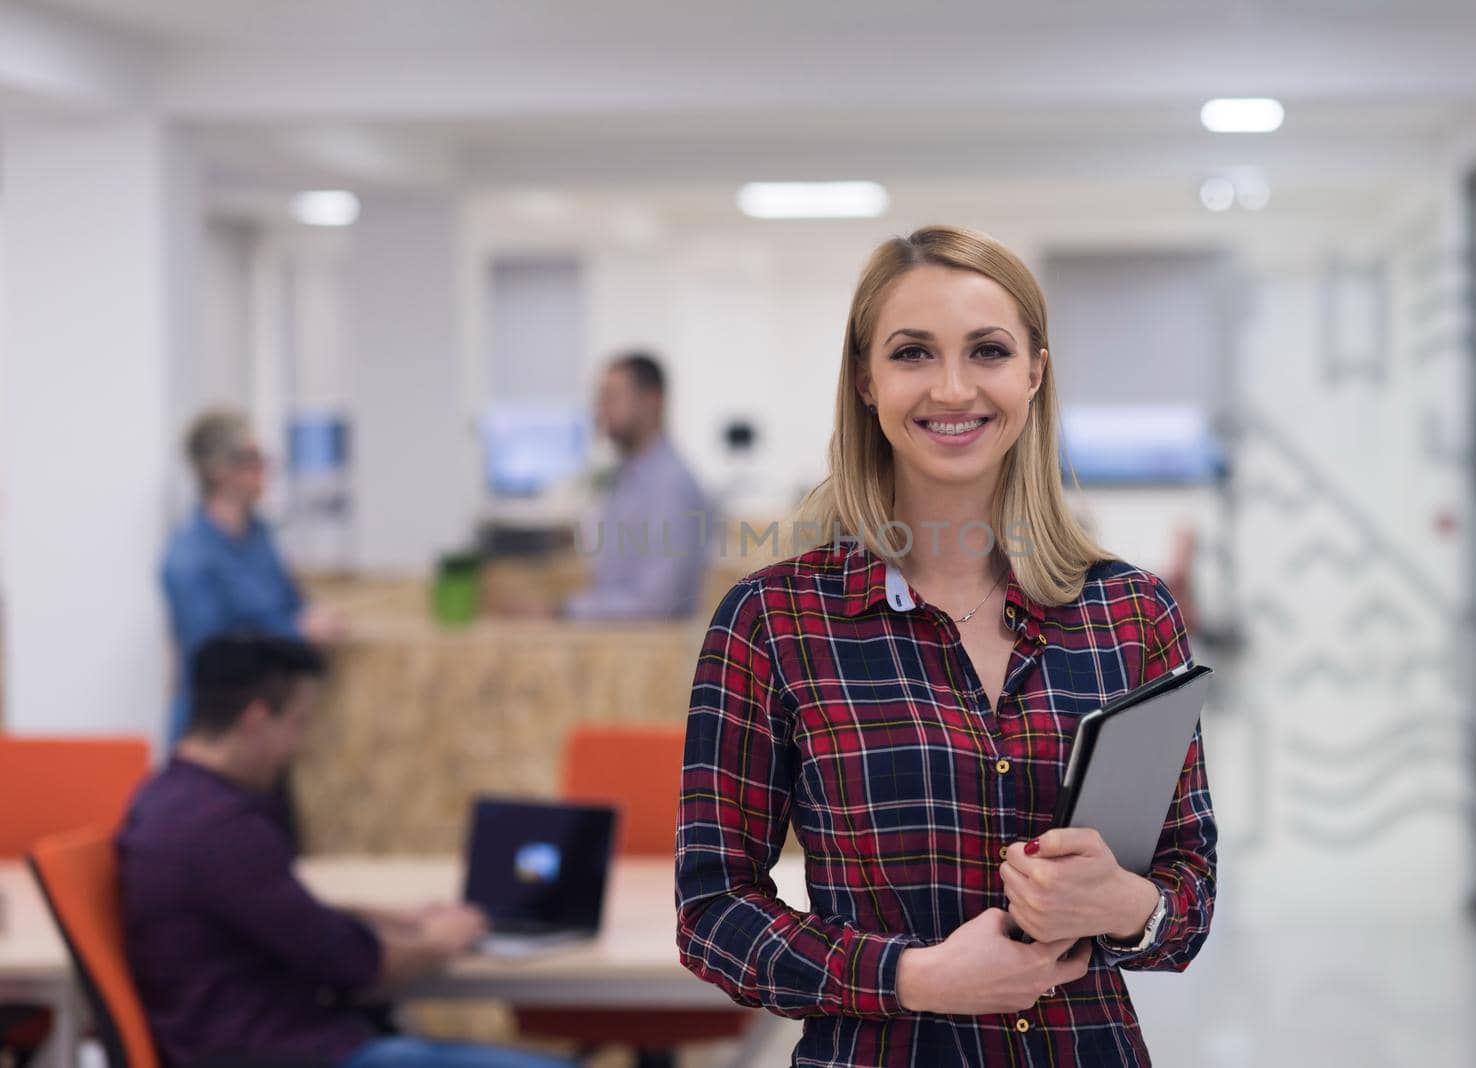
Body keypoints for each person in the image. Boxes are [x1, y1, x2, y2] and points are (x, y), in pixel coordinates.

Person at [675, 226, 1216, 1067]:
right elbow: (712, 912)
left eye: (988, 351)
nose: (953, 388)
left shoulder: (1131, 614)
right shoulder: (772, 623)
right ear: (865, 379)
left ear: (1035, 371)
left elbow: (1189, 896)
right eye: (913, 354)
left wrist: (1120, 901)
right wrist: (911, 977)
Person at [118, 635, 573, 1068]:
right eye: (296, 723)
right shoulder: (221, 829)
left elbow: (282, 915)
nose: (298, 745)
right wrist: (442, 939)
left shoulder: (167, 799)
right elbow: (354, 964)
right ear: (256, 719)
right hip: (298, 1053)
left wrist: (393, 918)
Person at [160, 410, 342, 746]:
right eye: (251, 459)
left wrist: (313, 614)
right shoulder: (189, 556)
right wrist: (296, 632)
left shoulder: (260, 536)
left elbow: (290, 601)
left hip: (265, 725)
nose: (263, 470)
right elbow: (213, 652)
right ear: (218, 471)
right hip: (214, 734)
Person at [562, 352, 710, 620]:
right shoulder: (627, 477)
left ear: (652, 401)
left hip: (654, 652)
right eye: (599, 398)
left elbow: (657, 603)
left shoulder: (670, 485)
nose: (600, 409)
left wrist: (564, 611)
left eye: (612, 397)